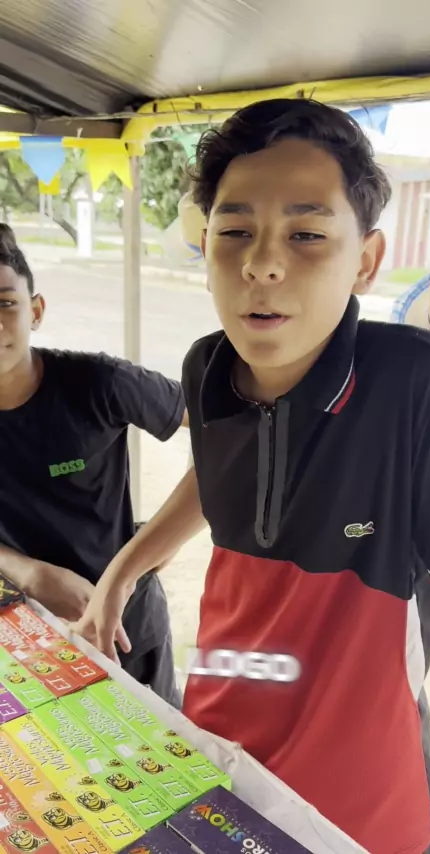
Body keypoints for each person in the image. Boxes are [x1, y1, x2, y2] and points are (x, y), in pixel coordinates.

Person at [73, 99, 430, 854]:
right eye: (235, 232)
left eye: (306, 234)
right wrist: (124, 571)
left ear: (367, 259)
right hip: (217, 758)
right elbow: (221, 470)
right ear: (206, 246)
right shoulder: (206, 364)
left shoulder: (418, 384)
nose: (261, 263)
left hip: (360, 807)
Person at [0, 224, 186, 707]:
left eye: (5, 304)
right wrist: (28, 572)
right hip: (24, 636)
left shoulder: (98, 382)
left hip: (127, 627)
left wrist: (158, 541)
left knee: (161, 745)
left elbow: (225, 430)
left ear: (35, 310)